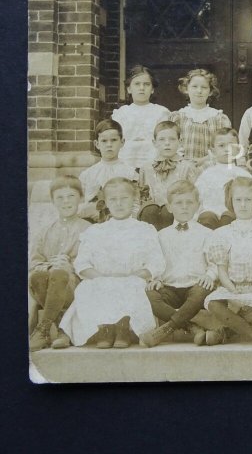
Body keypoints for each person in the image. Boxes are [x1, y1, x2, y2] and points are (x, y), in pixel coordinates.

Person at [60, 177, 165, 348]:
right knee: (88, 287)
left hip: (133, 278)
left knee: (131, 285)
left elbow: (156, 262)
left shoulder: (145, 230)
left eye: (124, 199)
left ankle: (123, 326)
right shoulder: (95, 231)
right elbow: (82, 263)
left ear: (134, 200)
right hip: (101, 279)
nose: (119, 204)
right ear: (106, 202)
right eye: (113, 199)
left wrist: (132, 275)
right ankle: (105, 328)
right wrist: (102, 277)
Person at [202, 177, 252, 346]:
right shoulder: (222, 234)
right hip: (232, 287)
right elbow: (222, 270)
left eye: (248, 200)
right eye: (238, 200)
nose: (243, 205)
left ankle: (224, 333)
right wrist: (232, 290)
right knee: (213, 303)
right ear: (231, 202)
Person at [140, 181, 218, 347]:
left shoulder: (207, 234)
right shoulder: (161, 236)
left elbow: (214, 263)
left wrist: (209, 275)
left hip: (195, 286)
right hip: (169, 288)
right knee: (149, 294)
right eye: (178, 203)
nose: (184, 207)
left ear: (198, 205)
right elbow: (155, 262)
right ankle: (192, 328)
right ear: (169, 207)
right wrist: (156, 278)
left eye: (189, 202)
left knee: (204, 289)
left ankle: (166, 329)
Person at [28, 176, 92, 351]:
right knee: (39, 276)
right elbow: (35, 261)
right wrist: (48, 265)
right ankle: (63, 329)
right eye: (60, 198)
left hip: (76, 286)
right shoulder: (44, 231)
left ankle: (44, 330)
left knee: (60, 274)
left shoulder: (89, 230)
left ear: (81, 198)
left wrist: (70, 265)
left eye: (71, 196)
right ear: (53, 202)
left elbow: (95, 262)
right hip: (47, 285)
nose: (66, 202)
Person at [138, 120, 199, 230]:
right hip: (152, 218)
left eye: (172, 139)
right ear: (154, 142)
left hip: (178, 216)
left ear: (180, 142)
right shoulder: (146, 168)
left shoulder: (187, 167)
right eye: (162, 139)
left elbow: (195, 196)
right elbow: (141, 197)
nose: (167, 143)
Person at [78, 119, 139, 222]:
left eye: (114, 140)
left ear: (122, 142)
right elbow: (81, 204)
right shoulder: (88, 174)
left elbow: (136, 202)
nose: (109, 145)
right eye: (104, 141)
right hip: (95, 222)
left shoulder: (130, 173)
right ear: (97, 144)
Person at [111, 65, 170, 169]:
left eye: (146, 84)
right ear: (129, 89)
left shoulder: (161, 112)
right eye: (137, 84)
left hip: (154, 162)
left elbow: (166, 140)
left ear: (152, 89)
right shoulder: (121, 113)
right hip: (126, 162)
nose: (142, 88)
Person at [168, 68, 231, 164]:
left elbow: (226, 147)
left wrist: (204, 160)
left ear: (210, 91)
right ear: (186, 89)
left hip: (210, 167)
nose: (199, 91)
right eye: (194, 86)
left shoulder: (219, 118)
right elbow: (170, 144)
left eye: (204, 87)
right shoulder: (177, 118)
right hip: (183, 167)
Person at [194, 128, 251, 229]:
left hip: (233, 214)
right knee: (207, 218)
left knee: (228, 217)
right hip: (209, 212)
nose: (227, 149)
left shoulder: (243, 174)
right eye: (221, 146)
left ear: (238, 149)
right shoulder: (206, 174)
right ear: (213, 150)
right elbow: (197, 198)